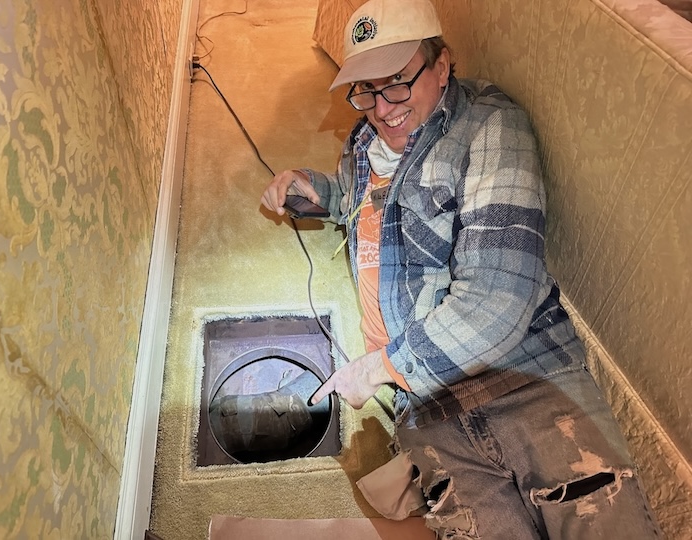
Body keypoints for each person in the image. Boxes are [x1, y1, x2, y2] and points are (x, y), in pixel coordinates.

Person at [260, 0, 661, 537]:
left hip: (526, 380)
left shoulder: (488, 128)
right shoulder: (362, 145)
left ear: (443, 64)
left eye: (399, 81)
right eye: (366, 90)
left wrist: (377, 368)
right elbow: (365, 209)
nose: (382, 108)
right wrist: (319, 194)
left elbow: (497, 302)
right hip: (428, 405)